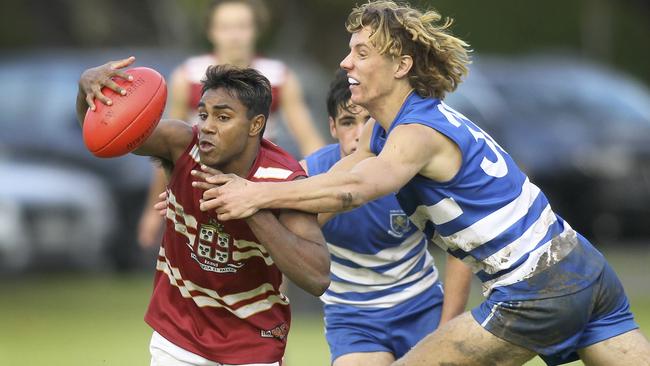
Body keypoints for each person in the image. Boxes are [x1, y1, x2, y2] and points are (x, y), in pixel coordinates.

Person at [193, 1, 650, 365]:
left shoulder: (416, 133)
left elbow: (355, 190)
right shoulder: (384, 129)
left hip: (535, 285)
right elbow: (338, 177)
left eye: (362, 52)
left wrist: (256, 195)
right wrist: (231, 190)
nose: (345, 60)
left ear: (400, 65)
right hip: (582, 266)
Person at [76, 57, 330, 366]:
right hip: (179, 333)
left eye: (223, 118)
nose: (207, 127)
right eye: (203, 114)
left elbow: (317, 277)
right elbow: (104, 137)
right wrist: (86, 90)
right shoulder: (181, 143)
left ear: (256, 125)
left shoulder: (283, 180)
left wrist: (251, 206)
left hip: (253, 341)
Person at [301, 69, 472, 366]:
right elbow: (284, 241)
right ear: (332, 127)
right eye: (347, 122)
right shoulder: (312, 174)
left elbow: (460, 246)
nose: (359, 134)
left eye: (368, 120)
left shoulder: (413, 170)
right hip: (352, 318)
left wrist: (447, 329)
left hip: (420, 306)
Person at [137, 0, 325, 249]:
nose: (235, 35)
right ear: (211, 32)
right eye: (225, 27)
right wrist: (152, 211)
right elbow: (168, 147)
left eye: (242, 26)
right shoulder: (188, 75)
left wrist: (319, 189)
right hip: (200, 185)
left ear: (256, 30)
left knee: (271, 263)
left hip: (260, 186)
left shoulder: (279, 76)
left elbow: (310, 140)